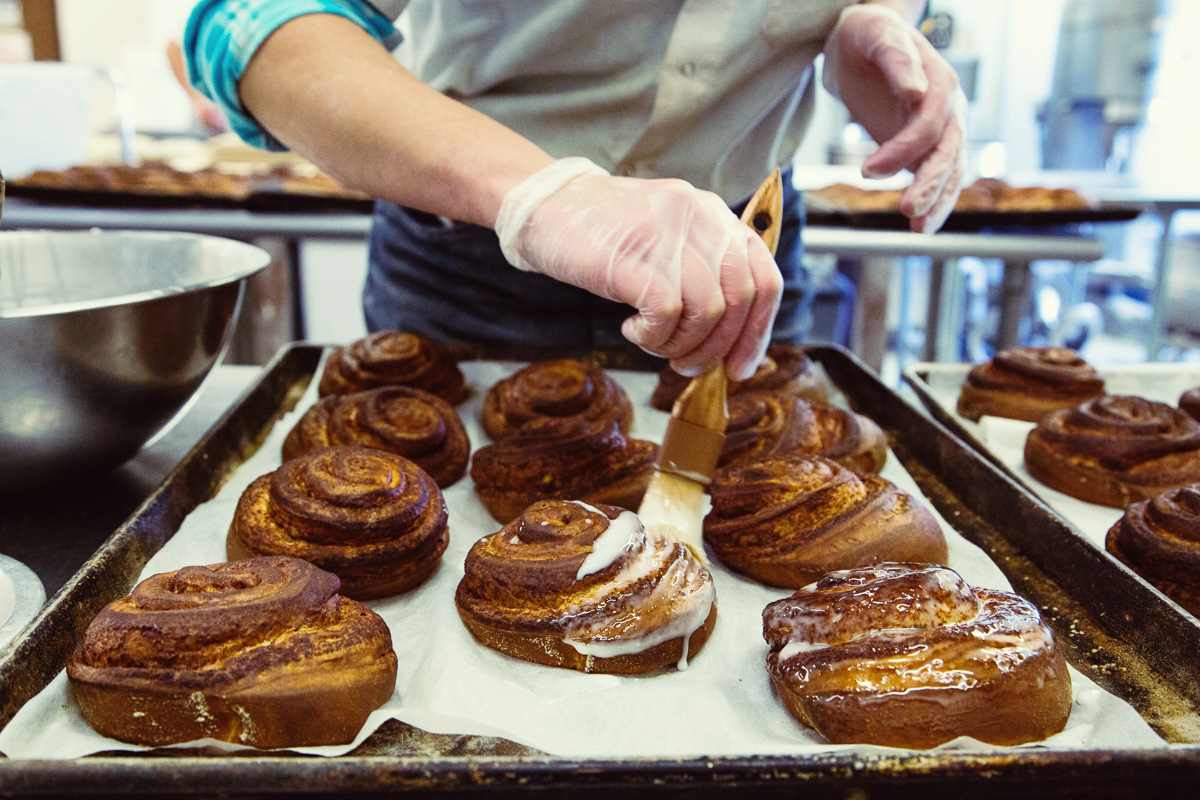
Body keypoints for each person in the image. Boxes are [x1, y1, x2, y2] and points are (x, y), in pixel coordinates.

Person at [185, 0, 965, 381]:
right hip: (473, 253)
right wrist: (539, 195)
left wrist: (880, 19)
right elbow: (246, 27)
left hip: (741, 256)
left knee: (752, 518)